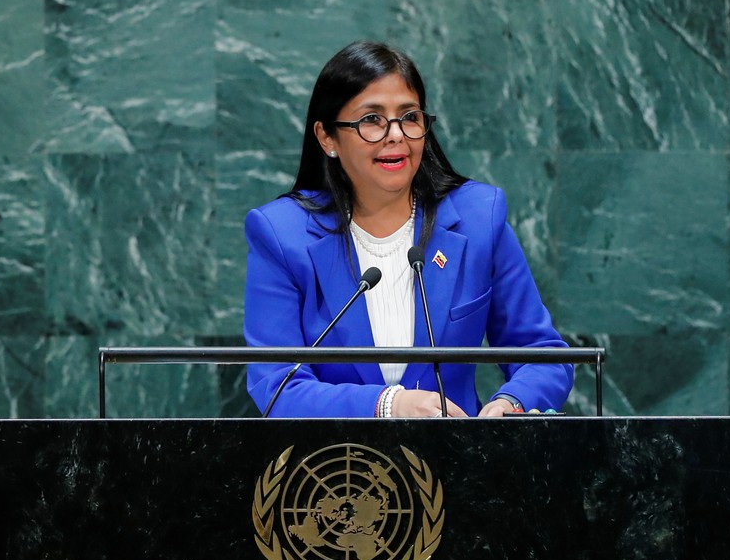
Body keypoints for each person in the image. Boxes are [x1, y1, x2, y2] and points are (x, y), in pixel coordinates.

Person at [243, 40, 572, 418]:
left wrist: (510, 404)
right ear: (326, 137)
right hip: (339, 469)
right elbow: (277, 386)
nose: (396, 134)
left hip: (458, 464)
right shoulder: (281, 234)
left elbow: (542, 355)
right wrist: (387, 405)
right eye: (372, 120)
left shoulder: (479, 218)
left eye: (409, 117)